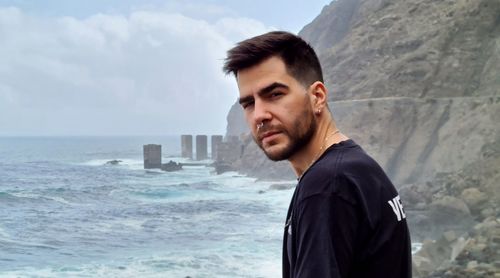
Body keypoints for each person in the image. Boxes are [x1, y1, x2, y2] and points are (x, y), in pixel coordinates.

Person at [223, 31, 411, 278]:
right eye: (249, 103)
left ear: (317, 97)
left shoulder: (327, 185)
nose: (259, 115)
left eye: (275, 94)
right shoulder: (356, 167)